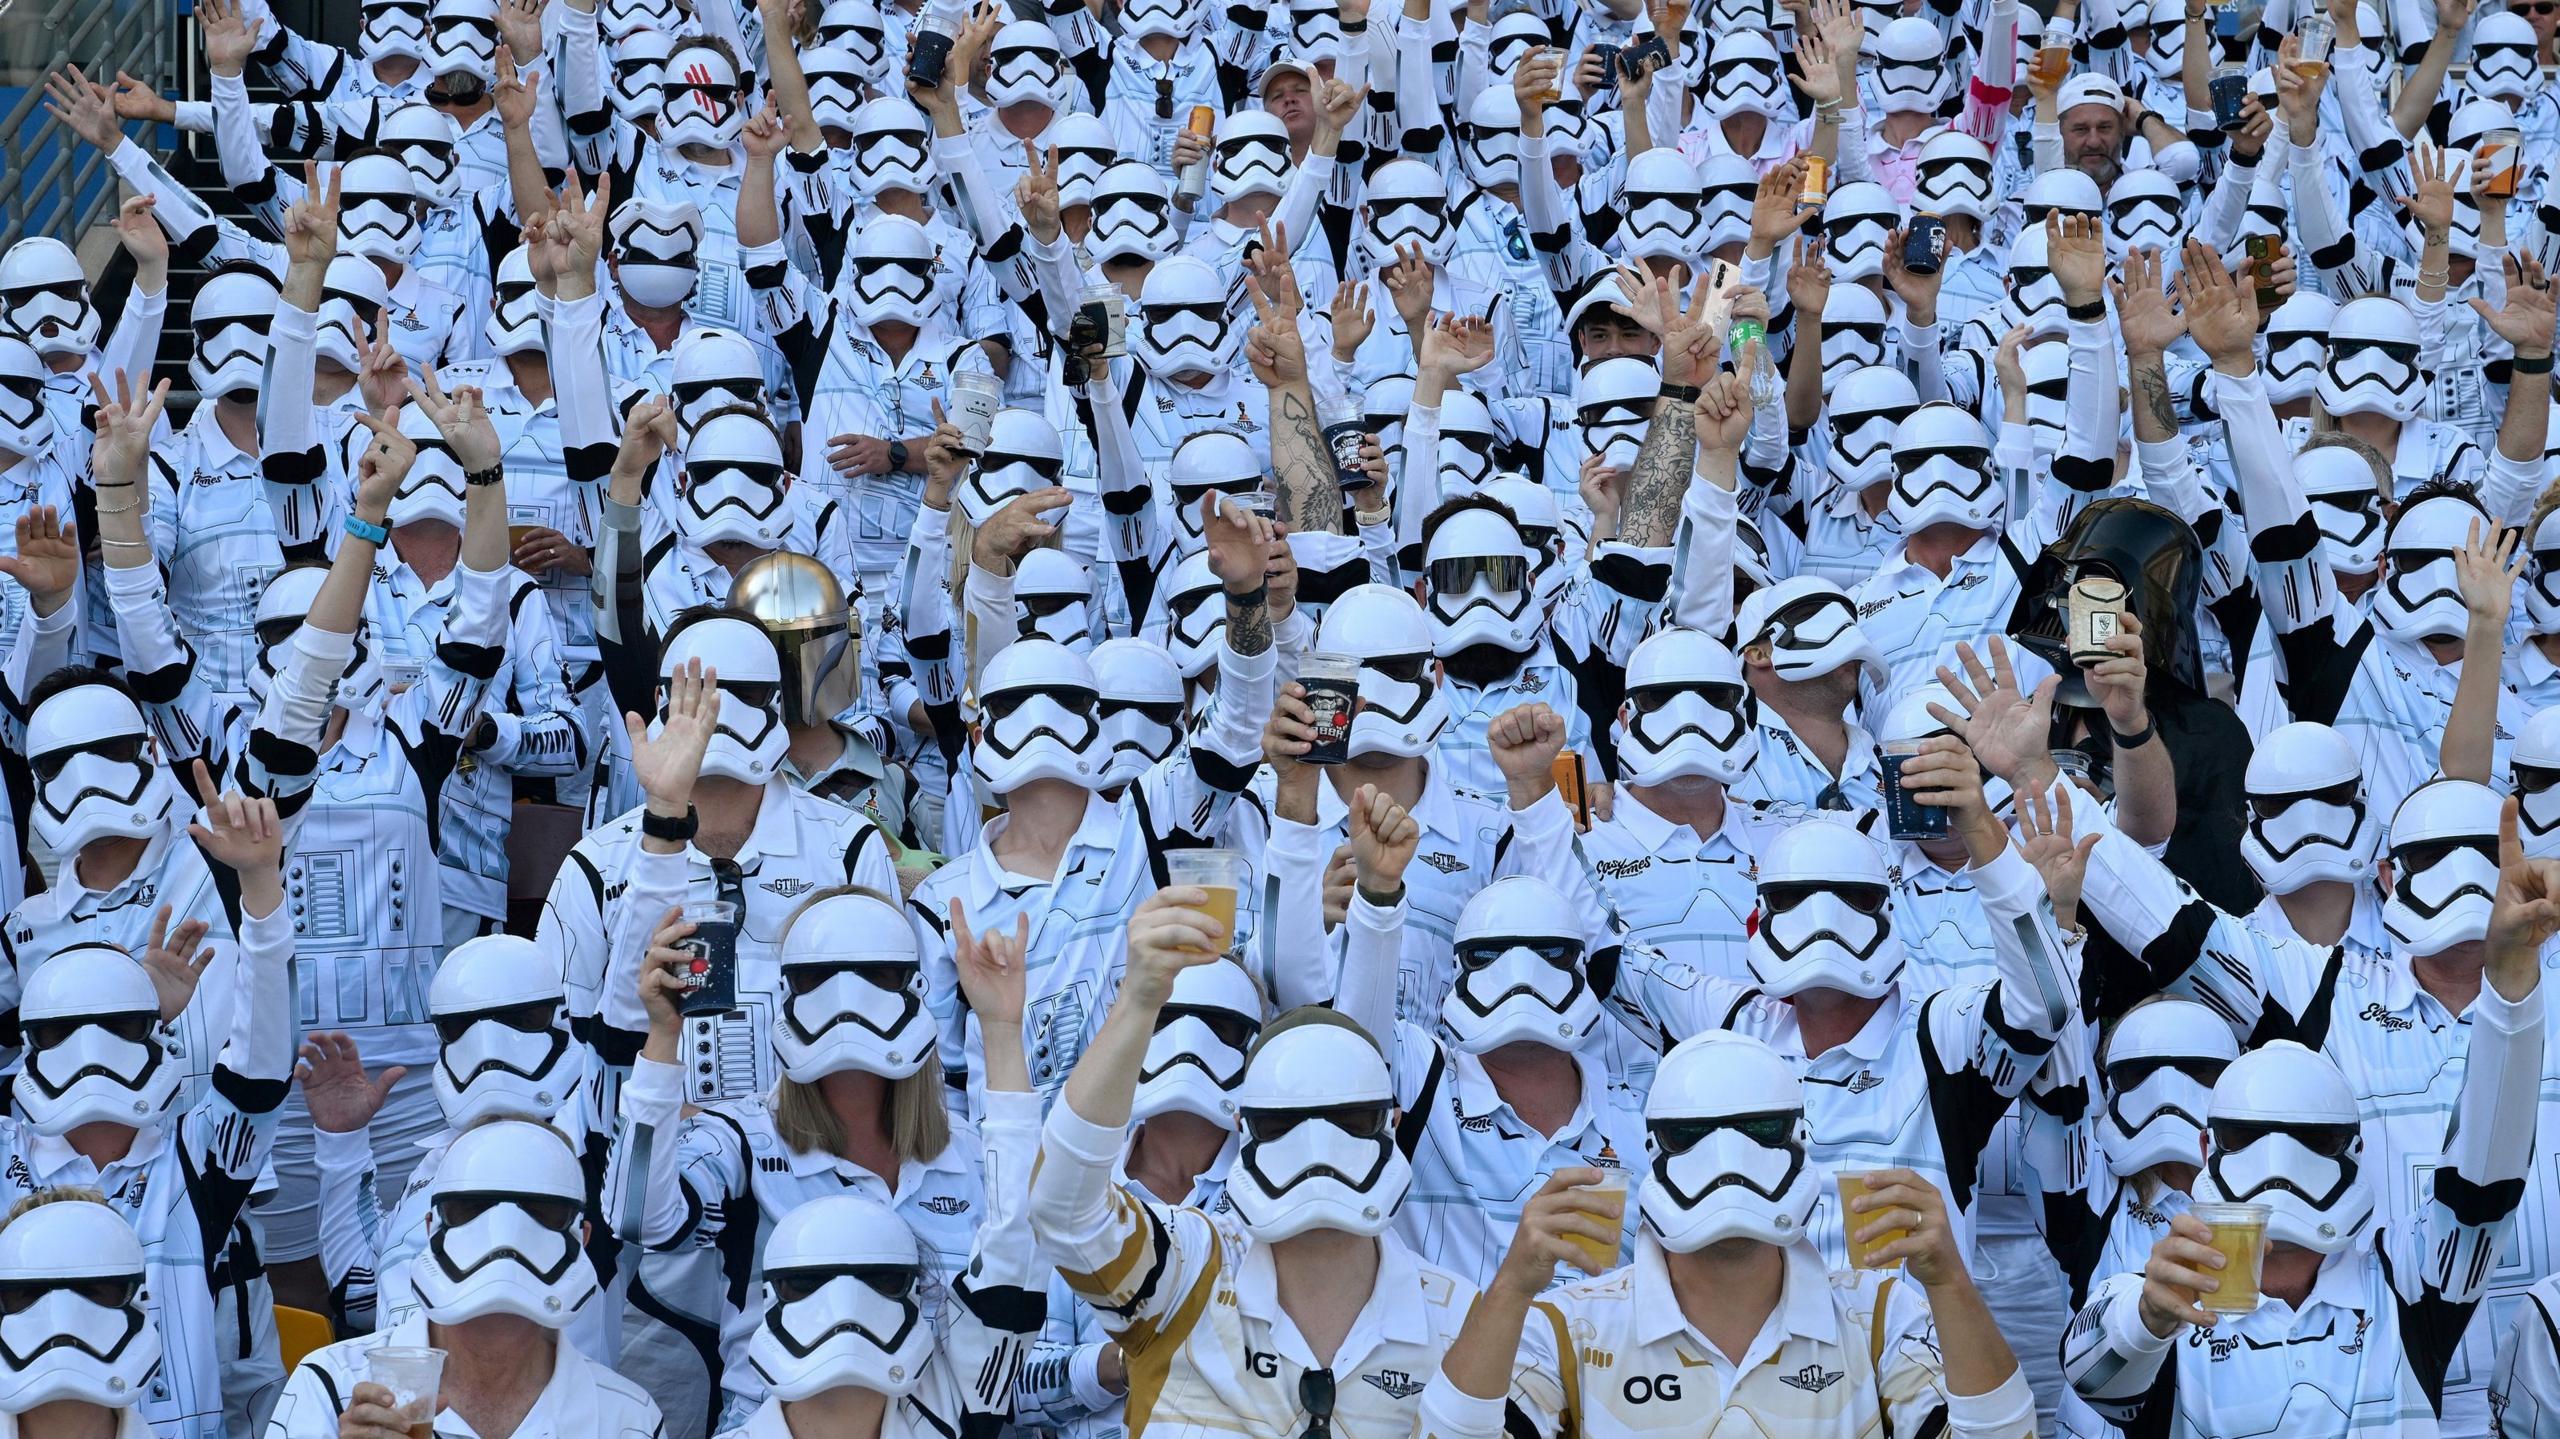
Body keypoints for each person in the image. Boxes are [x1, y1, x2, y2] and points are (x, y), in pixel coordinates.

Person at [1419, 1030, 2038, 1437]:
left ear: (1798, 1139)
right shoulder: (1565, 1327)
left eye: (1760, 1131)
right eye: (1693, 1136)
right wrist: (1509, 1291)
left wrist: (1952, 1284)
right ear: (1654, 1147)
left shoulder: (1880, 1313)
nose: (1727, 1161)